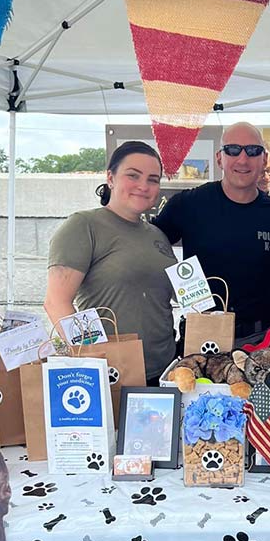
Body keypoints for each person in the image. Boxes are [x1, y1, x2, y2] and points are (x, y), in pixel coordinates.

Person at [153, 122, 270, 346]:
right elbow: (149, 245)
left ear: (264, 159)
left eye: (253, 151)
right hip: (201, 335)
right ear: (220, 158)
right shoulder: (188, 204)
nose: (243, 159)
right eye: (233, 150)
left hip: (259, 339)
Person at [44, 141, 176, 385]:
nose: (143, 186)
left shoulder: (157, 235)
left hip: (165, 371)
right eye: (133, 175)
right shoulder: (84, 225)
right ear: (111, 178)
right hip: (112, 376)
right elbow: (56, 303)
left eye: (153, 179)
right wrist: (94, 358)